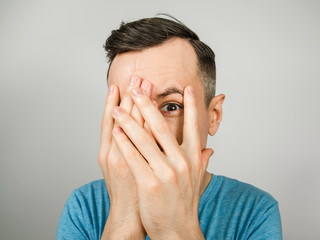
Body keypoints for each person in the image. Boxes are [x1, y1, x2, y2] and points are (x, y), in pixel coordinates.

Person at [56, 15, 282, 240]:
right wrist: (123, 218)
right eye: (129, 107)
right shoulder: (84, 207)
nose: (147, 131)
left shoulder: (255, 211)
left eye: (172, 106)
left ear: (214, 116)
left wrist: (175, 230)